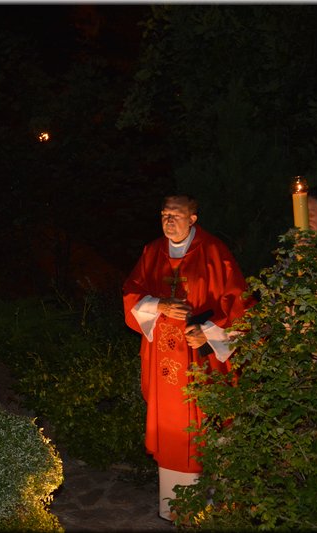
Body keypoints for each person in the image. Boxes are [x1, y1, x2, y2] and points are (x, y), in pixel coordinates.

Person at [122, 194, 252, 521]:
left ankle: (211, 509)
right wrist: (159, 305)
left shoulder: (215, 252)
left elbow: (239, 305)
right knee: (172, 430)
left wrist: (209, 332)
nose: (168, 221)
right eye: (164, 214)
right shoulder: (152, 251)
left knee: (206, 429)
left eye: (175, 215)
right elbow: (131, 294)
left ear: (193, 219)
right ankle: (174, 508)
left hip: (203, 362)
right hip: (164, 364)